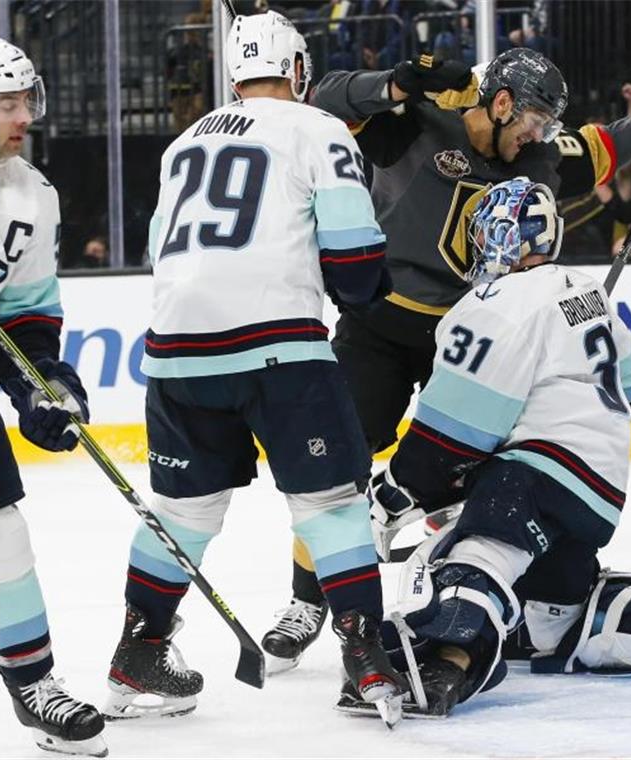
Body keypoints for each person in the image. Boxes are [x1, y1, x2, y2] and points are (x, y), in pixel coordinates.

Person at [262, 47, 631, 666]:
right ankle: (306, 599)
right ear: (500, 103)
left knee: (491, 460)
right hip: (382, 325)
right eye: (533, 119)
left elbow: (595, 150)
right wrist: (396, 82)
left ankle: (486, 570)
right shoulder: (414, 123)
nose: (539, 135)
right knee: (337, 465)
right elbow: (319, 101)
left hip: (473, 334)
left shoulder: (533, 156)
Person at [346, 179, 631, 718]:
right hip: (601, 492)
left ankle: (443, 662)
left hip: (536, 474)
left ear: (503, 237)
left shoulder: (496, 303)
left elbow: (453, 433)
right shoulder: (582, 288)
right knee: (549, 621)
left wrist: (397, 489)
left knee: (478, 552)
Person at [102, 11, 406, 723]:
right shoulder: (318, 128)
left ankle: (137, 651)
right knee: (329, 503)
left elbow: (160, 250)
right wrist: (370, 294)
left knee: (183, 509)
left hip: (176, 350)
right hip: (278, 347)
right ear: (297, 71)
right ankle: (364, 653)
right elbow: (356, 259)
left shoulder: (183, 143)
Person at [0, 39, 107, 758]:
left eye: (27, 101)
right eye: (6, 103)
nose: (24, 116)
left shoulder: (32, 195)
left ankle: (33, 683)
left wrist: (46, 384)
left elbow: (27, 320)